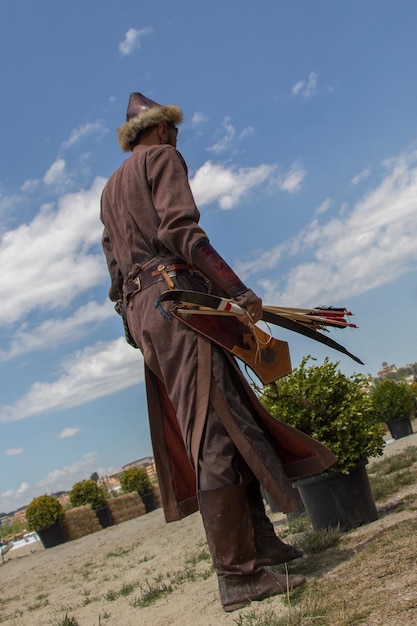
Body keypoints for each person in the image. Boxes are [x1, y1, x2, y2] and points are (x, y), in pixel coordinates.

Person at [100, 92, 336, 612]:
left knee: (226, 419)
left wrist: (136, 330)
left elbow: (117, 278)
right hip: (176, 303)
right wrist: (238, 288)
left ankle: (261, 542)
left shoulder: (108, 191)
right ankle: (238, 575)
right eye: (174, 130)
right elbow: (181, 231)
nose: (178, 139)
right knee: (212, 432)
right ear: (161, 130)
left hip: (152, 317)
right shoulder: (162, 158)